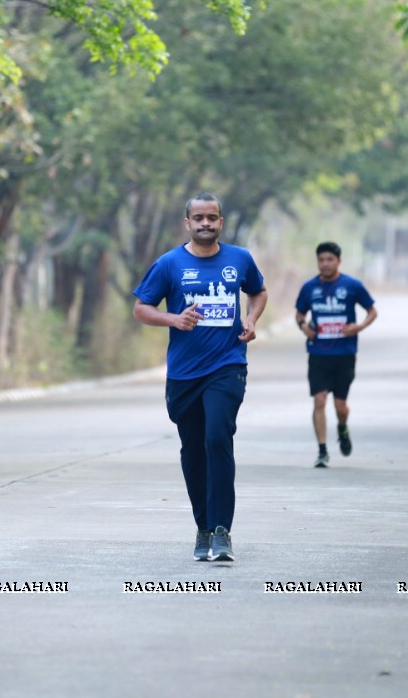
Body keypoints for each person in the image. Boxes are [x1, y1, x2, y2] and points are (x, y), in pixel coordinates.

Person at [133, 193, 268, 563]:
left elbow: (258, 291)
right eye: (199, 217)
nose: (206, 223)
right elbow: (141, 308)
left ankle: (222, 530)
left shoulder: (239, 259)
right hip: (183, 374)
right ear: (187, 222)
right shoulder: (168, 264)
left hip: (227, 365)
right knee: (193, 450)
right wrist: (173, 319)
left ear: (221, 222)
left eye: (212, 217)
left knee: (216, 438)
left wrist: (251, 319)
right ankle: (203, 527)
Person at [294, 242, 378, 468]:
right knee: (319, 399)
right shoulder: (309, 288)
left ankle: (342, 427)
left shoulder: (352, 285)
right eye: (321, 260)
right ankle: (322, 451)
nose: (325, 264)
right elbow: (300, 314)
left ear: (338, 261)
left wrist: (359, 327)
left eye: (329, 259)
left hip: (345, 354)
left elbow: (372, 311)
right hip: (318, 353)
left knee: (340, 405)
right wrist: (304, 326)